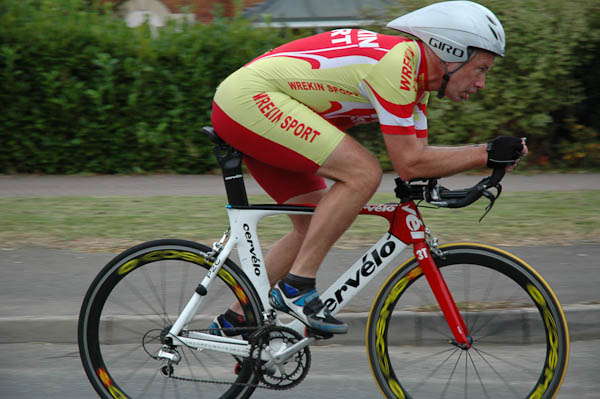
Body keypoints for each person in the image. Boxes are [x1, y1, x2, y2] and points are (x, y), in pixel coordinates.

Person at [209, 1, 527, 336]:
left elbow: (416, 165)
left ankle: (234, 320)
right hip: (248, 102)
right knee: (362, 172)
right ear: (452, 52)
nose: (481, 84)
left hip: (255, 104)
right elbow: (410, 162)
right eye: (481, 69)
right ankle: (295, 289)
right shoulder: (397, 68)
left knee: (315, 221)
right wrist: (486, 153)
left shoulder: (416, 85)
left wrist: (470, 171)